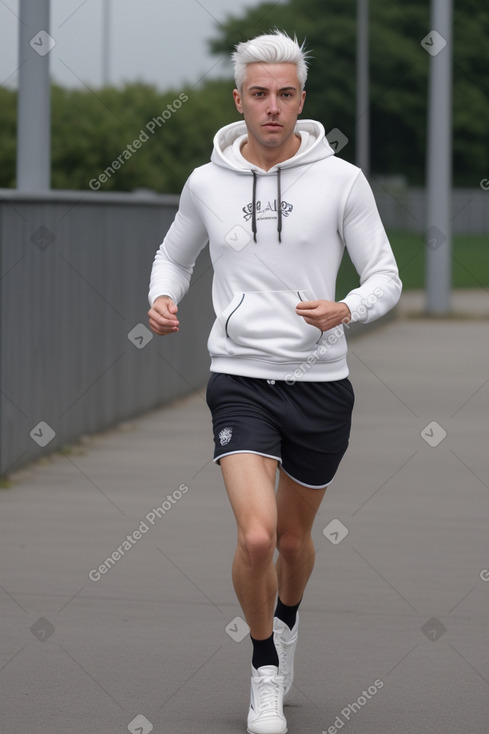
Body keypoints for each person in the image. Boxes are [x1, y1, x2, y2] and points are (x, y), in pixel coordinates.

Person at [148, 30, 401, 734]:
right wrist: (162, 296)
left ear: (301, 102)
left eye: (284, 94)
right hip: (239, 376)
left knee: (292, 543)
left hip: (320, 382)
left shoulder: (340, 181)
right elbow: (174, 256)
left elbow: (385, 276)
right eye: (258, 94)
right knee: (255, 539)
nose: (271, 107)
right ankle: (263, 667)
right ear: (239, 100)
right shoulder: (206, 182)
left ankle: (286, 621)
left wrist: (345, 307)